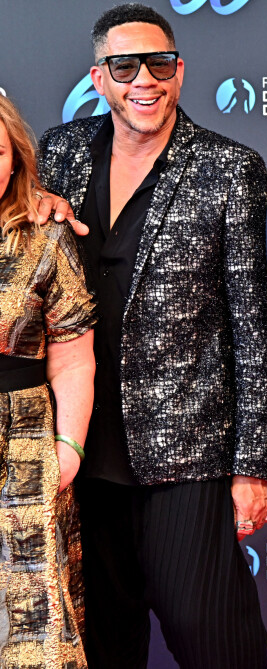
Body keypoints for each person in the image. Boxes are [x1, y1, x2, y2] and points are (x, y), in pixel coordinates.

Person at [37, 3, 267, 669]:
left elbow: (256, 326)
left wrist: (254, 465)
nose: (144, 79)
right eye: (125, 65)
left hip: (189, 460)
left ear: (179, 71)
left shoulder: (228, 168)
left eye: (161, 63)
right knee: (102, 645)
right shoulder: (59, 152)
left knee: (217, 643)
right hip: (80, 454)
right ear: (99, 77)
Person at [0, 95, 96, 668]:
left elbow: (74, 355)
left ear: (15, 158)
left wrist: (68, 448)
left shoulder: (44, 234)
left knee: (36, 618)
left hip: (28, 442)